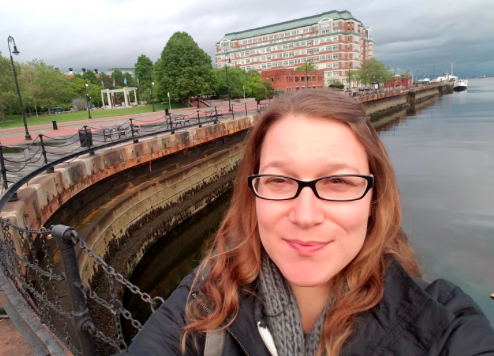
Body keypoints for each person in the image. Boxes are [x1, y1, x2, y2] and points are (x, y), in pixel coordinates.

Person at [123, 89, 494, 356]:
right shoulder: (207, 299)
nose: (305, 215)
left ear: (374, 199)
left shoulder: (442, 325)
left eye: (337, 182)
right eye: (279, 181)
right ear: (252, 196)